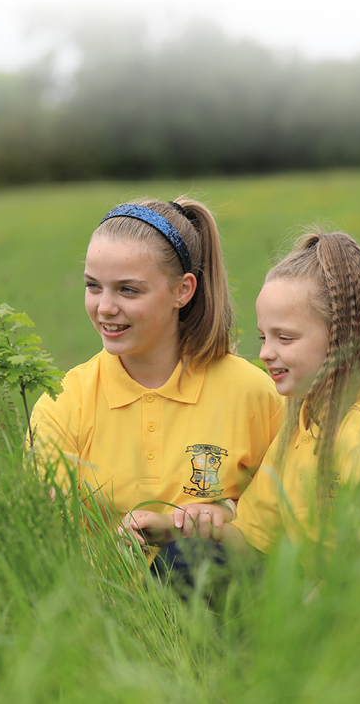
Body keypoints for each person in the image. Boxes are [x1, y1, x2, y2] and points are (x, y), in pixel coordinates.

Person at [123, 230, 360, 586]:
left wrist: (309, 619)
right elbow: (253, 539)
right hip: (332, 592)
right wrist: (173, 528)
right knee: (188, 559)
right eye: (263, 337)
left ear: (340, 339)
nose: (266, 352)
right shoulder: (298, 427)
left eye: (285, 338)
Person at [30, 197, 283, 578]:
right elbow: (46, 532)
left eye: (128, 290)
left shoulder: (254, 394)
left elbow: (288, 517)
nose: (105, 307)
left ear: (183, 290)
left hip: (220, 617)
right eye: (93, 286)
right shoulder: (63, 401)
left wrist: (226, 512)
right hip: (100, 613)